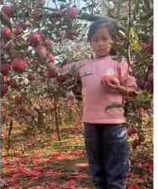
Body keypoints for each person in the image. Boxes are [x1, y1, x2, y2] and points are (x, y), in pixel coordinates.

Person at [47, 18, 137, 189]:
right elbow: (57, 72)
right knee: (97, 171)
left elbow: (133, 90)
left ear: (113, 40)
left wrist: (118, 87)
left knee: (115, 170)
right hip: (90, 124)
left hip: (114, 125)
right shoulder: (83, 65)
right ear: (90, 43)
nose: (100, 44)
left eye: (104, 39)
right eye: (95, 40)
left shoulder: (119, 62)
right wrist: (40, 51)